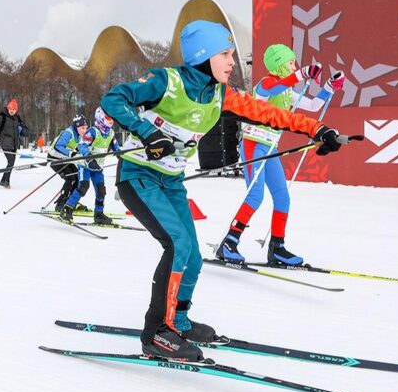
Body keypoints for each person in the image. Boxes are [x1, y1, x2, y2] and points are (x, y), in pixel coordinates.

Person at [100, 20, 346, 361]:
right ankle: (157, 333)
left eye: (232, 54)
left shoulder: (220, 94)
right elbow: (115, 99)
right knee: (177, 245)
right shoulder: (166, 82)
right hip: (139, 177)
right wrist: (147, 131)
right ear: (203, 55)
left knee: (194, 257)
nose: (233, 61)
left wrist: (317, 128)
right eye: (225, 54)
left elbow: (270, 114)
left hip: (170, 182)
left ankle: (179, 322)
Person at [215, 44, 343, 266]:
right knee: (255, 196)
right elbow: (272, 89)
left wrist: (330, 87)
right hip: (254, 145)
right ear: (280, 65)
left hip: (270, 147)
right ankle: (229, 242)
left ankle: (277, 247)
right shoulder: (265, 84)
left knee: (282, 197)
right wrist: (301, 75)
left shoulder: (287, 91)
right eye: (291, 62)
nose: (295, 65)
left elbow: (313, 105)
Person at [60, 107, 120, 224]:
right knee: (83, 187)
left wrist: (121, 156)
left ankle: (98, 214)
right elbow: (82, 145)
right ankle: (67, 209)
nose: (111, 120)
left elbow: (116, 148)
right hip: (86, 166)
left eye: (111, 118)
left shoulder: (111, 133)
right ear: (101, 118)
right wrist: (89, 157)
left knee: (101, 190)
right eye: (108, 118)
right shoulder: (93, 132)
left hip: (97, 168)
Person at [48, 115, 87, 212]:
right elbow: (58, 146)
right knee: (70, 178)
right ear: (77, 126)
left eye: (86, 128)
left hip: (65, 159)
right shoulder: (68, 133)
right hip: (55, 159)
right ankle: (61, 203)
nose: (84, 130)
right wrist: (72, 153)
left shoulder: (78, 136)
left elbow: (77, 147)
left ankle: (71, 202)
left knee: (78, 177)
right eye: (82, 128)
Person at [0, 99, 28, 188]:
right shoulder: (2, 117)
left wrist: (21, 129)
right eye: (10, 109)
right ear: (8, 108)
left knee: (11, 163)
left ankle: (3, 181)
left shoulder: (17, 118)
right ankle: (6, 182)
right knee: (11, 162)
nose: (12, 111)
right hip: (5, 143)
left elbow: (27, 131)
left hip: (14, 144)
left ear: (16, 110)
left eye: (14, 109)